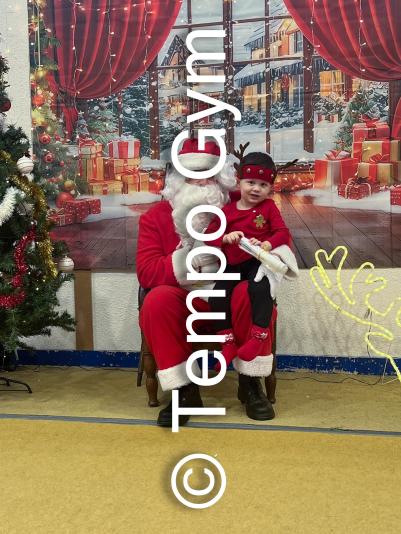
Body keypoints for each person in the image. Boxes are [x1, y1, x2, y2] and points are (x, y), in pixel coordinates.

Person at [137, 139, 280, 427]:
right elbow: (147, 271)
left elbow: (273, 243)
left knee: (251, 292)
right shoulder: (155, 217)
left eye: (209, 175)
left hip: (230, 297)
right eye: (192, 175)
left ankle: (250, 383)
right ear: (178, 178)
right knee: (156, 301)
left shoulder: (244, 207)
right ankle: (184, 390)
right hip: (186, 302)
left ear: (222, 177)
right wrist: (191, 261)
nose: (201, 182)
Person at [205, 152, 298, 371]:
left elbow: (282, 232)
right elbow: (209, 235)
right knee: (217, 297)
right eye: (251, 183)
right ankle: (227, 343)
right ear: (240, 181)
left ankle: (258, 336)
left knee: (260, 288)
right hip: (233, 264)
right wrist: (225, 237)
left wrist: (267, 244)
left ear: (270, 188)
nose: (256, 189)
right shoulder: (227, 211)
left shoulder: (268, 208)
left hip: (256, 261)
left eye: (263, 185)